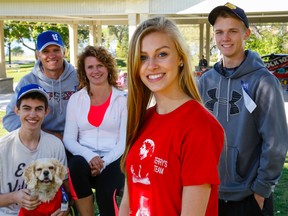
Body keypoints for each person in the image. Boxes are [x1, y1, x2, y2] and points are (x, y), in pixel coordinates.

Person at [119, 16, 225, 216]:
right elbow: (128, 200)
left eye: (162, 54)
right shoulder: (142, 119)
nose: (151, 65)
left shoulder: (200, 126)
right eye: (142, 57)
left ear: (180, 58)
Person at [198, 3, 288, 216]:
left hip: (249, 196)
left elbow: (275, 141)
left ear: (246, 33)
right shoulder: (206, 81)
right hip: (209, 192)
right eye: (219, 32)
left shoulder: (263, 81)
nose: (225, 38)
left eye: (232, 31)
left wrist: (261, 190)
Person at [63, 45, 127, 216]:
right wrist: (90, 156)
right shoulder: (76, 99)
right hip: (85, 158)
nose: (95, 71)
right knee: (75, 164)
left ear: (108, 67)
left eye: (100, 65)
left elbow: (123, 141)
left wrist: (103, 162)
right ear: (84, 71)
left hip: (114, 159)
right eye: (90, 67)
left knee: (105, 193)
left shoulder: (122, 100)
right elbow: (69, 139)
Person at [0, 84, 69, 216]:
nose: (32, 114)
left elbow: (64, 185)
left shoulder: (55, 145)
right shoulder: (2, 148)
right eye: (26, 108)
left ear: (46, 112)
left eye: (38, 109)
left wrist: (65, 207)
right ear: (17, 110)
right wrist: (14, 197)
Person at [3, 30, 79, 140]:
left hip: (76, 141)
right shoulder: (28, 81)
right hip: (41, 141)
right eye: (46, 51)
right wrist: (48, 136)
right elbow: (10, 119)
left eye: (56, 50)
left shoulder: (79, 78)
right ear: (38, 54)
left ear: (64, 52)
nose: (51, 55)